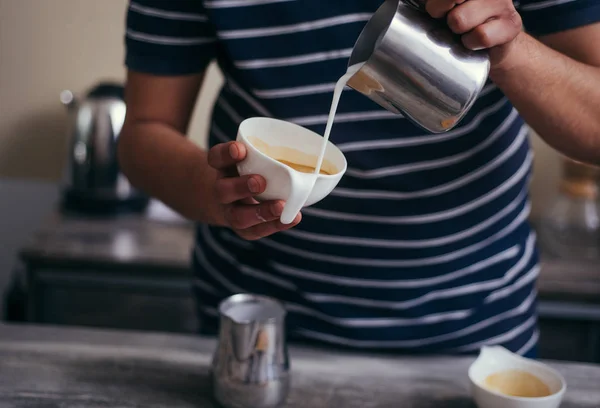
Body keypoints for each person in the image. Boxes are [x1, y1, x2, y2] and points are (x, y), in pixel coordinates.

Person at [118, 0, 600, 357]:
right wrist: (214, 193)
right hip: (263, 330)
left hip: (475, 333)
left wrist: (510, 49)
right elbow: (144, 134)